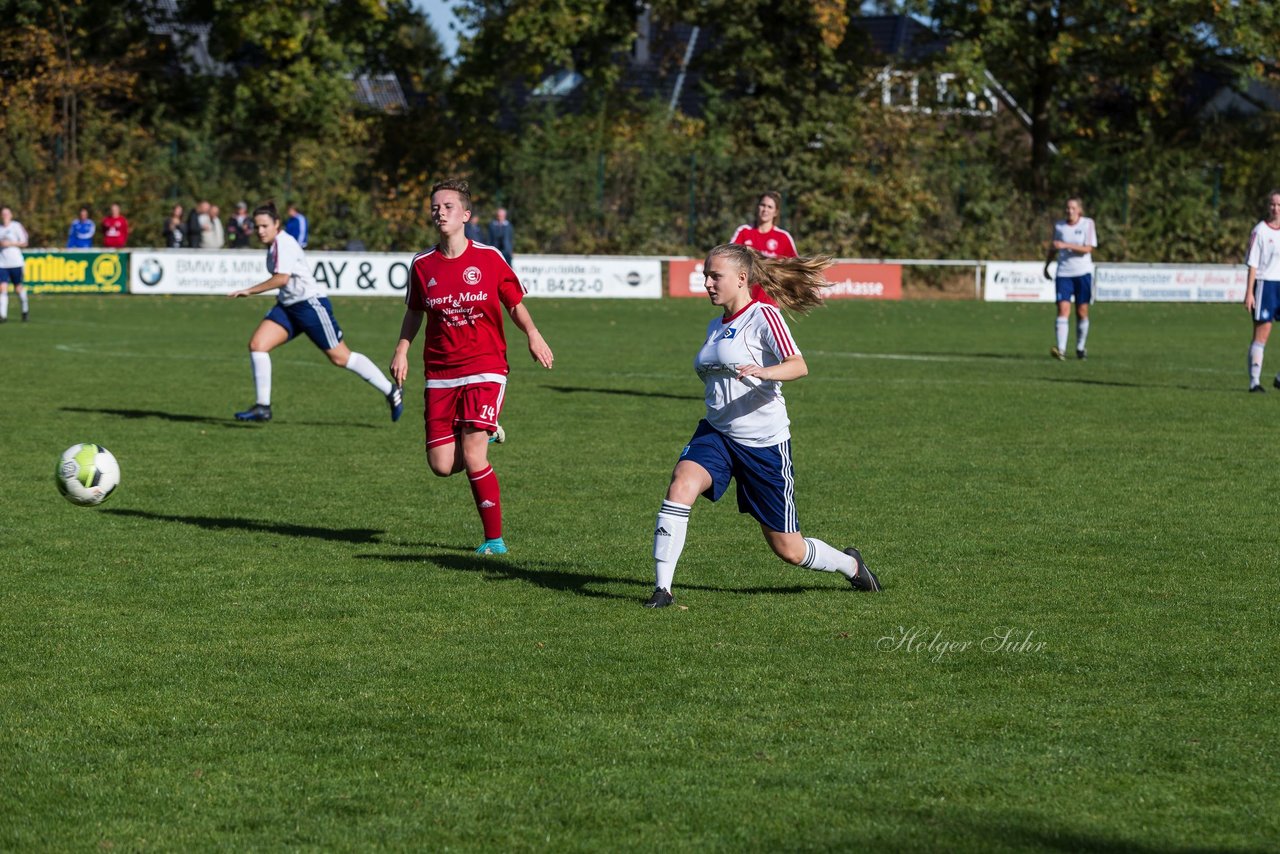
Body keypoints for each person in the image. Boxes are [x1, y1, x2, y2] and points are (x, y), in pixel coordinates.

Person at [644, 243, 880, 608]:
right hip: (717, 434)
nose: (706, 282)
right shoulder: (714, 325)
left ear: (741, 279)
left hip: (763, 445)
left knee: (789, 549)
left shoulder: (764, 316)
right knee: (681, 484)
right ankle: (663, 589)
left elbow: (798, 365)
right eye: (705, 275)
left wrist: (765, 372)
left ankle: (850, 564)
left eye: (714, 276)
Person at [390, 178, 554, 556]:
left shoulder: (489, 258)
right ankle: (485, 428)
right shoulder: (421, 264)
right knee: (442, 465)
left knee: (474, 454)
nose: (440, 211)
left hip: (486, 366)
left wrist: (533, 334)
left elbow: (514, 303)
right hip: (440, 372)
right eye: (435, 206)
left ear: (465, 215)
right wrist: (402, 349)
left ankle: (494, 541)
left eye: (448, 206)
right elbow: (415, 311)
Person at [228, 201, 402, 424]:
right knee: (257, 345)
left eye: (264, 226)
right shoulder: (273, 245)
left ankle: (391, 391)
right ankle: (263, 407)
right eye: (257, 226)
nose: (260, 231)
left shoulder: (284, 243)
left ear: (277, 224)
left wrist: (249, 291)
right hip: (288, 306)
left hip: (309, 305)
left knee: (340, 357)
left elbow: (282, 278)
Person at [1043, 196, 1097, 360]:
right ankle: (1061, 350)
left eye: (1073, 208)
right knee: (1062, 309)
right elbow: (1054, 248)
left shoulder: (1087, 223)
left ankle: (1080, 349)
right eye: (1067, 208)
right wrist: (1046, 266)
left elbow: (1088, 248)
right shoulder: (1059, 226)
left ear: (1079, 210)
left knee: (1082, 312)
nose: (1069, 211)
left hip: (1083, 273)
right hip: (1064, 273)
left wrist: (1066, 245)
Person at [730, 191, 797, 305]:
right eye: (762, 205)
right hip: (743, 301)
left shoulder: (783, 237)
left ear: (775, 212)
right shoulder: (744, 232)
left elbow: (794, 266)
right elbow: (729, 258)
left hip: (770, 302)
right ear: (757, 207)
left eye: (770, 207)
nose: (765, 209)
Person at [1243, 190, 1280, 393]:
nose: (1276, 208)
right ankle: (1254, 382)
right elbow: (1253, 264)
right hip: (1265, 285)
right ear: (1268, 207)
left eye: (1279, 205)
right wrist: (1249, 292)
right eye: (1273, 204)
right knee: (1262, 334)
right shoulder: (1260, 231)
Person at [0, 205, 30, 323]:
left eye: (7, 213)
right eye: (3, 214)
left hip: (15, 262)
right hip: (2, 263)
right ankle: (3, 315)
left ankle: (25, 309)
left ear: (11, 215)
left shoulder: (16, 226)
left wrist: (11, 243)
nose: (5, 216)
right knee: (2, 288)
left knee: (18, 288)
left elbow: (25, 242)